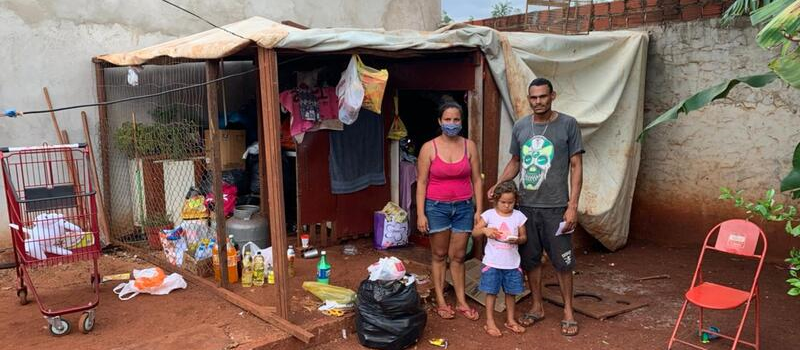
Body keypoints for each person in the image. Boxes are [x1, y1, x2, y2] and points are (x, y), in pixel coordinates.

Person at [488, 78, 584, 336]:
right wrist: (498, 185)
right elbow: (516, 162)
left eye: (543, 96)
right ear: (528, 99)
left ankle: (568, 311)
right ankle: (537, 306)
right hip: (526, 208)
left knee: (563, 262)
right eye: (533, 97)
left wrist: (572, 205)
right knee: (530, 260)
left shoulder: (568, 124)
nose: (538, 101)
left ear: (552, 96)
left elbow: (576, 166)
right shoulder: (521, 126)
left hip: (556, 208)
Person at [417, 100, 483, 321]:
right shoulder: (429, 147)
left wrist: (478, 210)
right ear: (440, 121)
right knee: (438, 255)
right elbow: (422, 183)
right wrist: (420, 214)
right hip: (436, 207)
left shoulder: (469, 146)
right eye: (447, 119)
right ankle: (441, 300)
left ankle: (461, 300)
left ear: (461, 122)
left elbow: (477, 180)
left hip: (464, 207)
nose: (452, 123)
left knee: (459, 256)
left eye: (456, 120)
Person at [473, 181, 527, 337]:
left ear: (515, 201)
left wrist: (517, 239)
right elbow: (474, 233)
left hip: (512, 263)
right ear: (496, 200)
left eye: (511, 202)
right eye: (503, 202)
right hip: (492, 263)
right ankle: (489, 321)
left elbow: (524, 237)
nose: (507, 206)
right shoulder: (489, 215)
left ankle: (510, 320)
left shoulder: (519, 216)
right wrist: (485, 230)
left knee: (511, 293)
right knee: (491, 292)